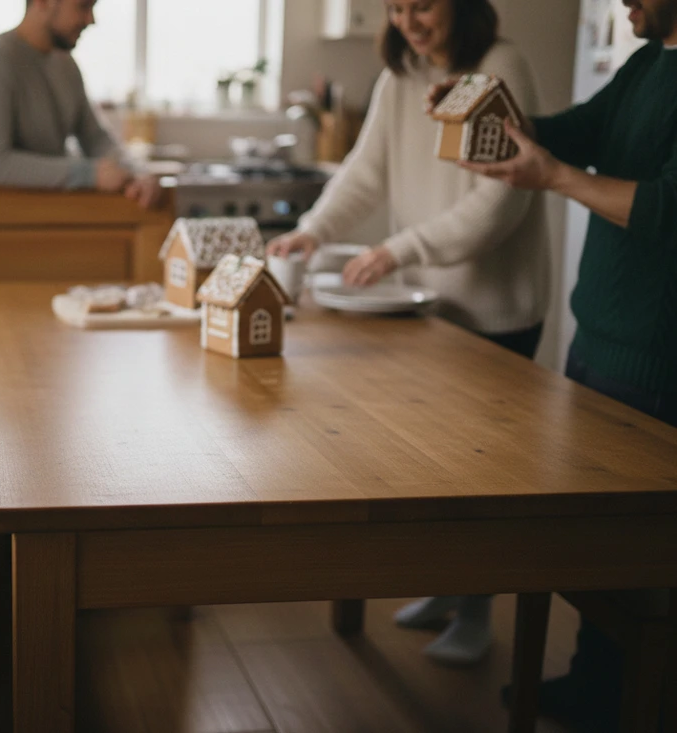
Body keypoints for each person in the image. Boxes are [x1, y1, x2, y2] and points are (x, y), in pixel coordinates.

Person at [267, 0, 551, 665]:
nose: (407, 21)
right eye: (395, 7)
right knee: (439, 468)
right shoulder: (401, 78)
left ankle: (477, 610)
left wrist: (401, 248)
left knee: (485, 478)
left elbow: (502, 201)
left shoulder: (503, 66)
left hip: (497, 307)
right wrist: (315, 228)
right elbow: (365, 173)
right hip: (432, 307)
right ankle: (448, 588)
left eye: (420, 5)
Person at [444, 0, 677, 725]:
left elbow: (668, 208)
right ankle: (593, 685)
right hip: (599, 337)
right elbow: (576, 129)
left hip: (657, 354)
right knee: (593, 548)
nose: (620, 4)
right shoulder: (649, 59)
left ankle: (637, 703)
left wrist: (554, 178)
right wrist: (486, 111)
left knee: (641, 565)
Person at [0, 0, 161, 209]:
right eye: (83, 6)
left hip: (49, 219)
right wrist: (90, 174)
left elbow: (97, 140)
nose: (91, 20)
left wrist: (137, 173)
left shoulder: (66, 67)